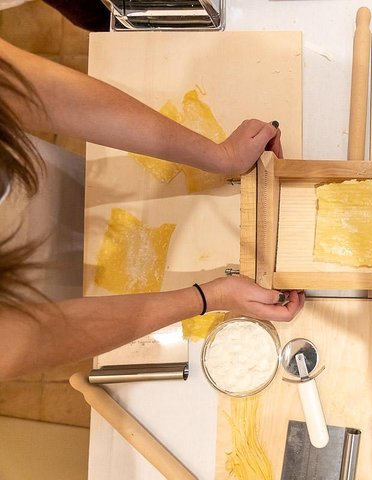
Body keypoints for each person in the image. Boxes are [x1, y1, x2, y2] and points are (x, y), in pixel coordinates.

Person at [0, 36, 304, 381]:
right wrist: (208, 297)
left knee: (72, 193)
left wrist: (220, 157)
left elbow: (44, 93)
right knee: (75, 283)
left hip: (30, 182)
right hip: (35, 295)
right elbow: (39, 337)